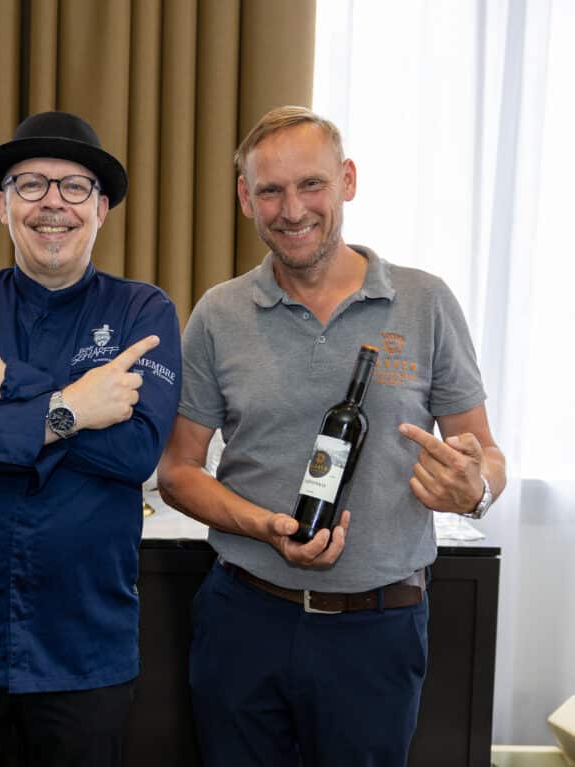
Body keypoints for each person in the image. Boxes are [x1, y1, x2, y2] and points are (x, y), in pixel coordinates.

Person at [156, 105, 506, 766]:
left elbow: (485, 454)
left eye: (310, 184)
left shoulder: (425, 302)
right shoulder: (218, 313)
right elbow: (178, 471)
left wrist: (476, 487)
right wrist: (265, 527)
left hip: (378, 627)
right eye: (270, 191)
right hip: (244, 619)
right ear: (245, 199)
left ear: (347, 180)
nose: (292, 210)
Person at [0, 111, 181, 765]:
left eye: (75, 186)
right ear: (3, 206)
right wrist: (75, 409)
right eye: (31, 184)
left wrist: (2, 382)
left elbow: (136, 451)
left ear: (101, 209)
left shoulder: (144, 311)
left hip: (85, 647)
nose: (53, 202)